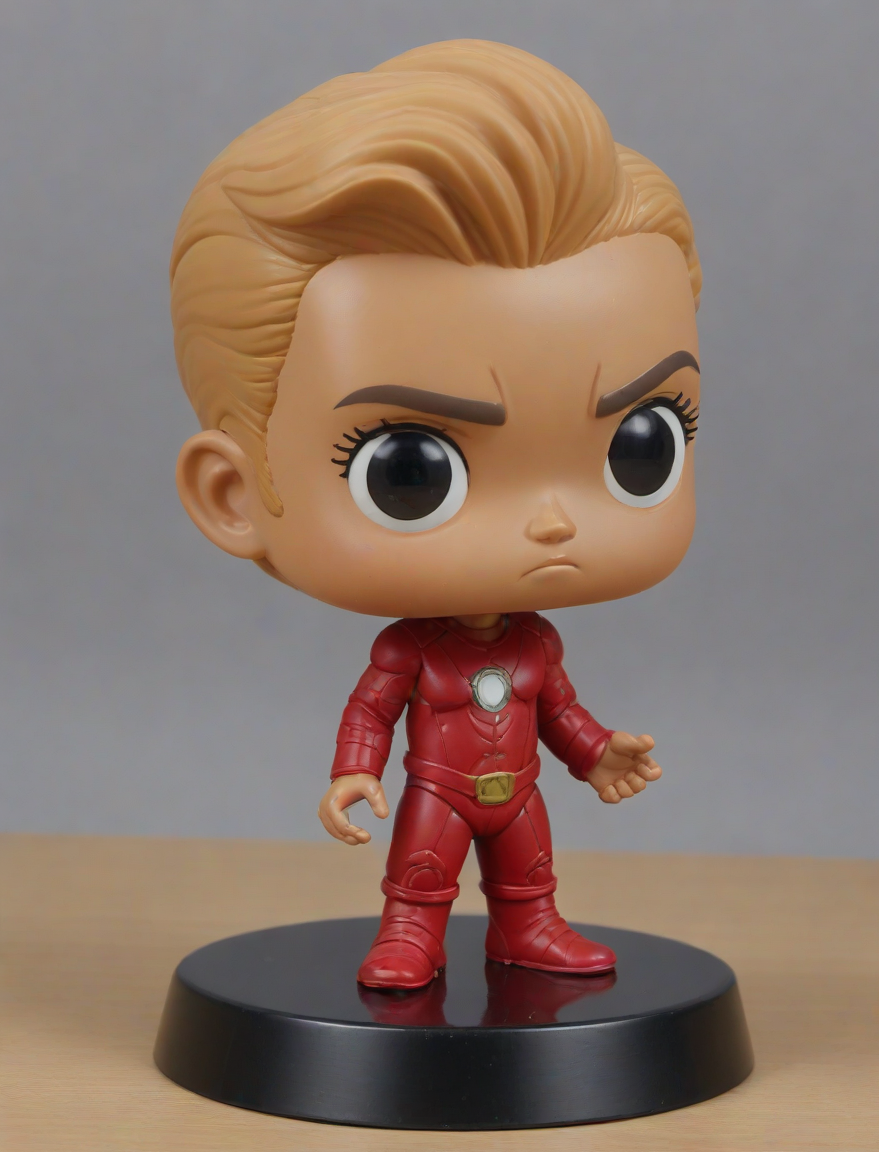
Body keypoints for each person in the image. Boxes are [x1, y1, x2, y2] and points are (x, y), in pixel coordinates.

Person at [171, 40, 702, 989]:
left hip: (519, 789)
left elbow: (561, 712)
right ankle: (410, 936)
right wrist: (353, 770)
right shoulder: (407, 652)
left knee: (528, 872)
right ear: (233, 494)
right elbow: (372, 711)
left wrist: (595, 754)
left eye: (640, 443)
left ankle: (529, 930)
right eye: (409, 472)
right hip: (438, 788)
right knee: (421, 872)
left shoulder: (536, 645)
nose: (551, 522)